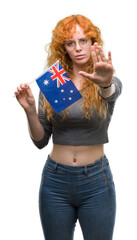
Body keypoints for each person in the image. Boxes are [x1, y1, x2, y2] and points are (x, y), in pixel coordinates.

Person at [15, 14, 122, 240]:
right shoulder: (55, 82)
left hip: (95, 181)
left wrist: (105, 83)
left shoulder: (105, 78)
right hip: (56, 181)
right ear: (63, 47)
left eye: (83, 40)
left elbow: (110, 92)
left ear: (93, 42)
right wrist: (30, 111)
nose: (78, 48)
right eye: (70, 43)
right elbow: (40, 141)